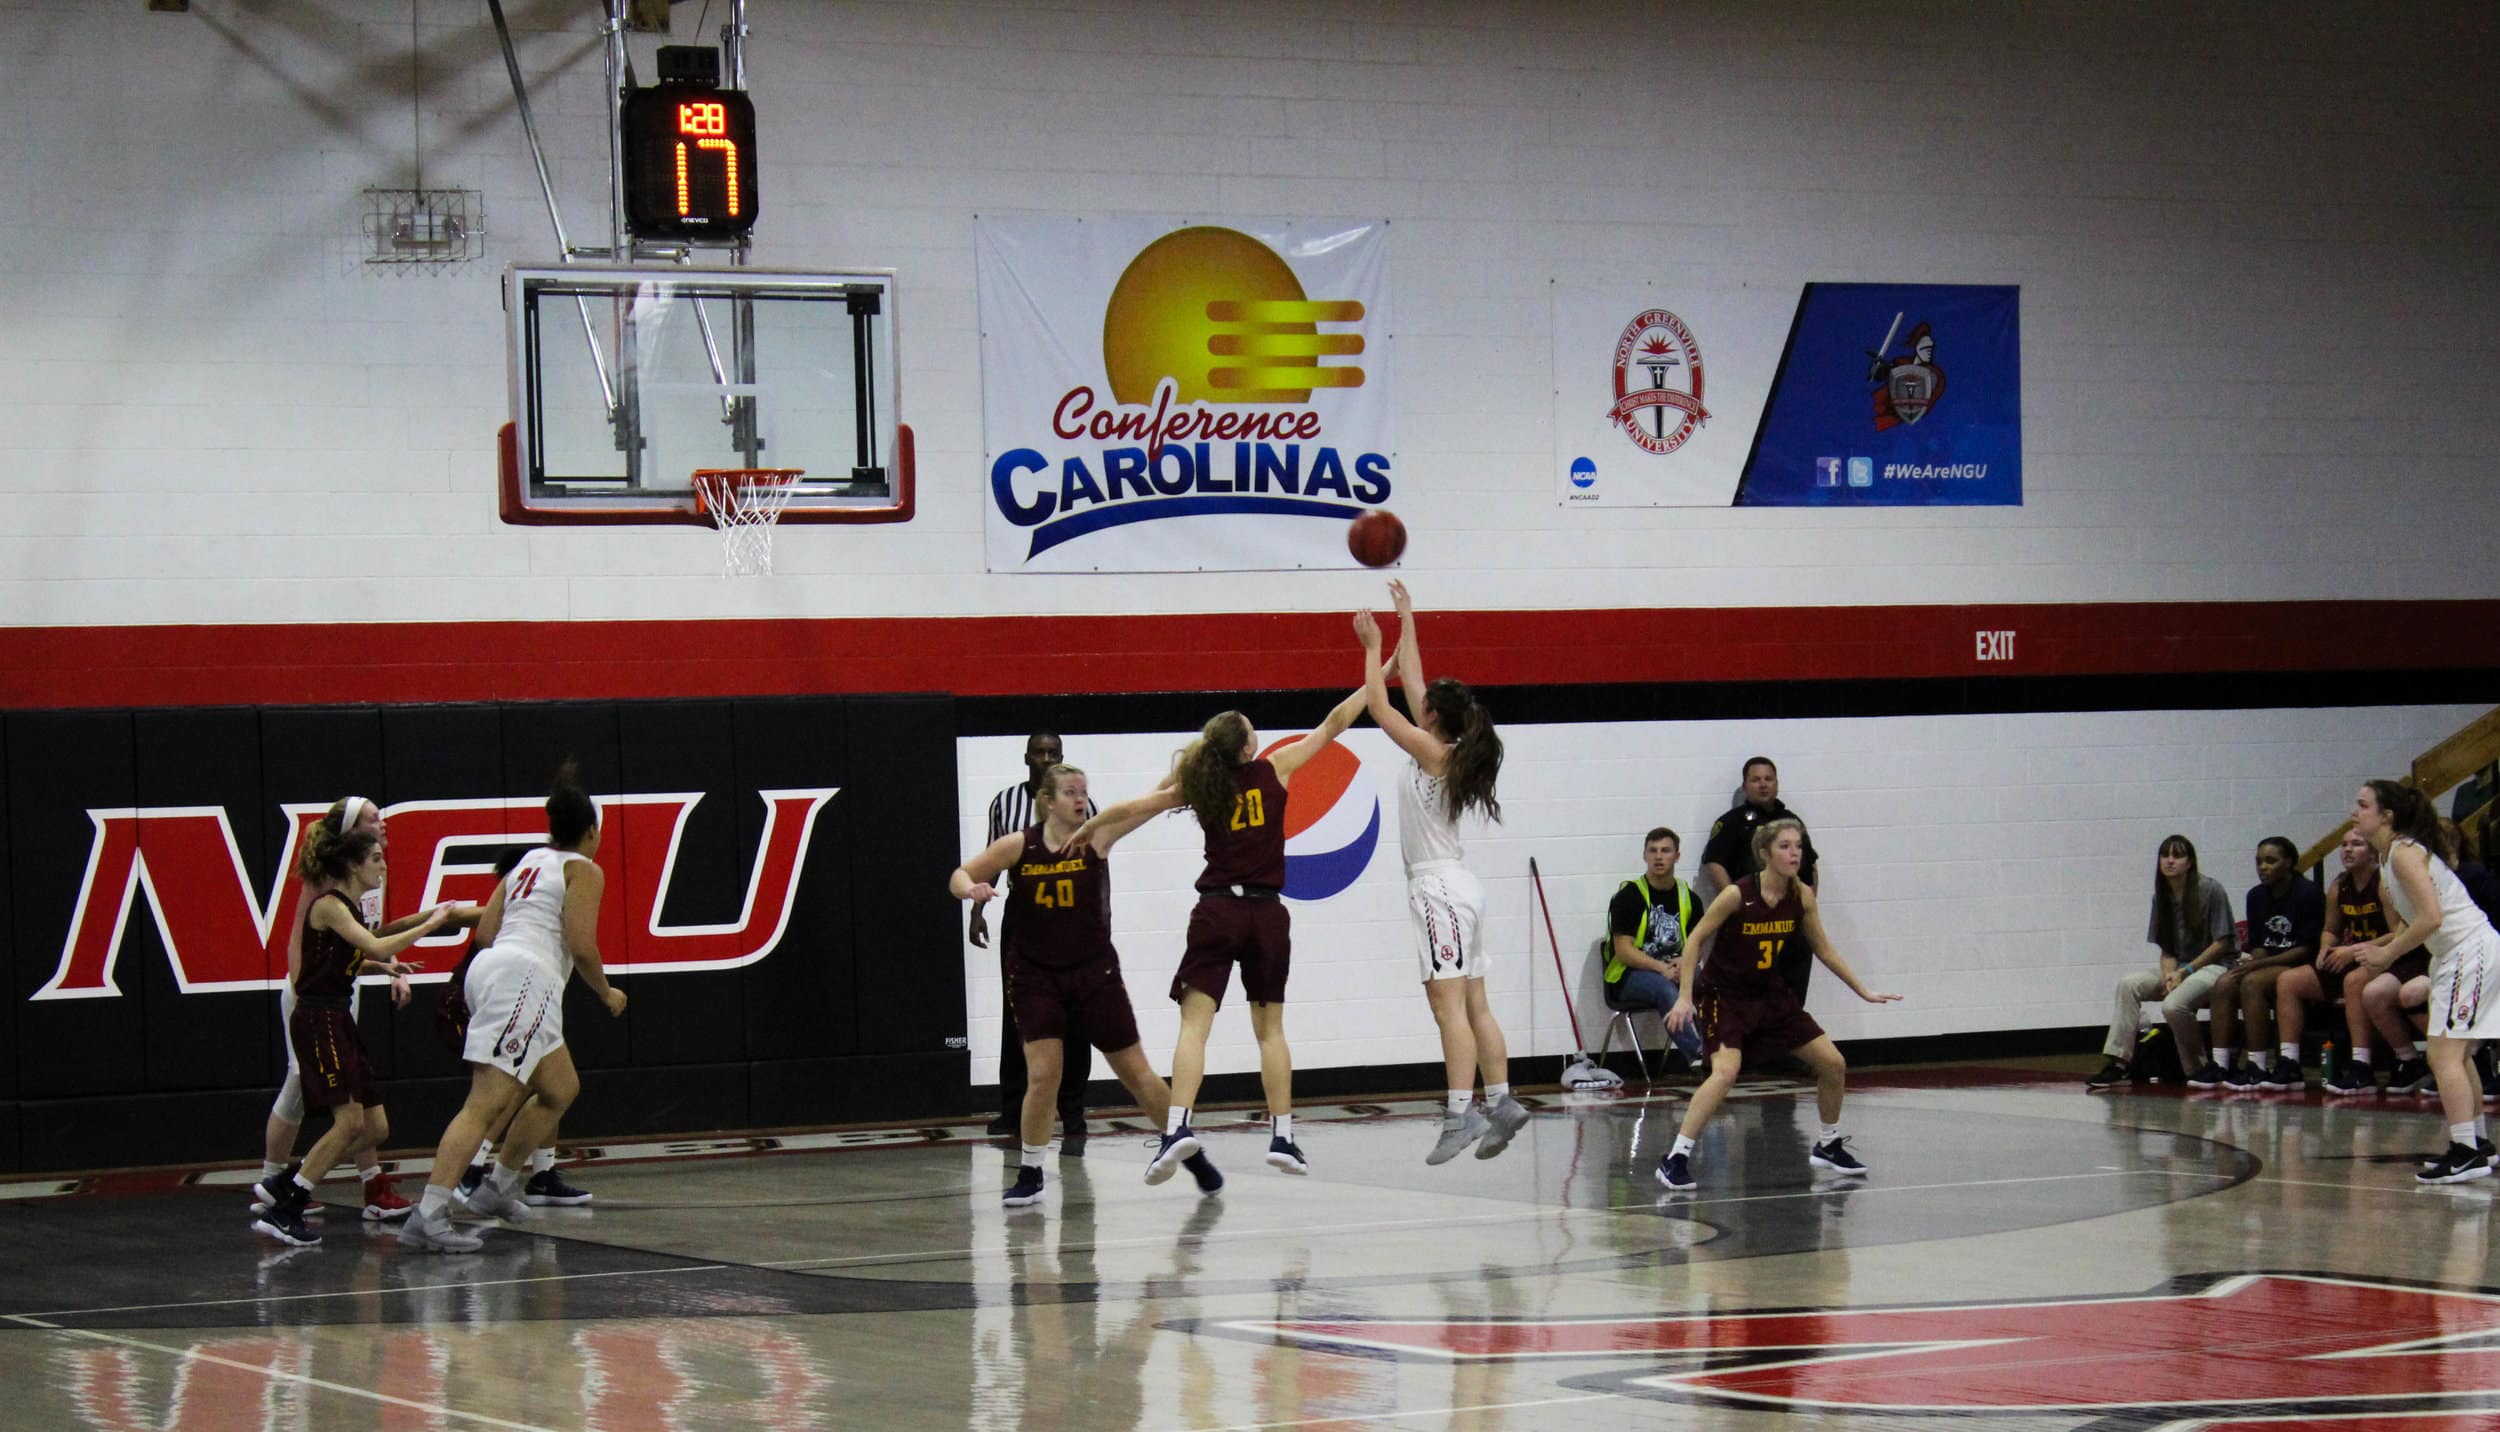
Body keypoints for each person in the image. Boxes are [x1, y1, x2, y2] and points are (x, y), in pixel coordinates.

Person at [1072, 676, 1374, 1180]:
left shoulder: (1201, 786)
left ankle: (1178, 1130)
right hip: (1267, 915)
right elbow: (1335, 722)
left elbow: (1133, 807)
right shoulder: (1276, 768)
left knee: (1195, 1027)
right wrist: (1375, 675)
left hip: (1217, 912)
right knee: (1271, 1031)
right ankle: (1283, 1137)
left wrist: (1086, 829)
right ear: (1250, 745)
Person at [950, 763, 1222, 1207]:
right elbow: (958, 875)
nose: (1080, 799)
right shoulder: (1020, 844)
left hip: (1094, 971)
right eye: (1070, 792)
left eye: (1084, 791)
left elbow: (1149, 805)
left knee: (1135, 1071)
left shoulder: (1098, 837)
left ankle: (1189, 1151)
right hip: (1035, 974)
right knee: (1044, 1074)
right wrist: (971, 891)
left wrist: (1187, 780)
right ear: (1048, 801)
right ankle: (1032, 1171)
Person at [399, 764, 629, 1253]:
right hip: (527, 979)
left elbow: (484, 933)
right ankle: (430, 1213)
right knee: (484, 1105)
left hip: (493, 970)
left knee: (560, 1087)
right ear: (591, 832)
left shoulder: (526, 862)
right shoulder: (583, 869)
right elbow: (582, 945)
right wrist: (606, 992)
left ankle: (499, 1187)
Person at [1356, 581, 1532, 1164]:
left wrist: (1371, 643)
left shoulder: (1435, 752)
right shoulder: (1442, 745)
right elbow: (1411, 682)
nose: (1418, 700)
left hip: (1438, 891)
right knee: (1477, 1004)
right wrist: (1408, 619)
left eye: (1424, 701)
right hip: (1462, 887)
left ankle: (1460, 1113)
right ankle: (1502, 1099)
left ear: (1431, 716)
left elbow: (1379, 705)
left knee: (1448, 1007)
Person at [252, 796, 479, 1223]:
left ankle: (328, 1184)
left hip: (340, 997)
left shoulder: (366, 882)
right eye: (375, 819)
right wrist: (433, 923)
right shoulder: (325, 893)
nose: (384, 825)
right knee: (314, 1093)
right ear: (352, 843)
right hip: (314, 1002)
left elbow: (367, 941)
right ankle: (279, 1184)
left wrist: (390, 968)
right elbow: (308, 947)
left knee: (365, 1118)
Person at [1654, 820, 1901, 1189]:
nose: (1795, 853)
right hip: (1725, 995)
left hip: (1770, 995)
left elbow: (1824, 949)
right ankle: (1675, 1158)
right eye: (1785, 846)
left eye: (1798, 846)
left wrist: (1861, 990)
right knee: (1725, 1073)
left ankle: (1828, 1144)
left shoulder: (1801, 896)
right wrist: (1686, 996)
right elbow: (1695, 940)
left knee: (1833, 1063)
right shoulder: (1738, 894)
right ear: (1765, 853)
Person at [2333, 780, 2500, 1183]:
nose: (2354, 811)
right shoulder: (2391, 857)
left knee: (2443, 1056)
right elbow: (2412, 922)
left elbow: (2432, 919)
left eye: (2362, 804)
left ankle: (2465, 1153)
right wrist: (2374, 947)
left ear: (2386, 816)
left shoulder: (2405, 853)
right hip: (2451, 955)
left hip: (2469, 951)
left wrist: (2387, 956)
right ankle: (2477, 1144)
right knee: (2454, 1056)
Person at [973, 733, 1097, 1147]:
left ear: (1062, 758)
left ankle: (1074, 1112)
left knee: (1075, 1016)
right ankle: (1013, 1110)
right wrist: (977, 909)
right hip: (1024, 918)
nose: (1045, 759)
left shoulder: (1083, 804)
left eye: (1053, 753)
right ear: (1026, 757)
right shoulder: (1005, 802)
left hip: (1072, 917)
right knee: (1018, 1014)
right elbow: (992, 859)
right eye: (1039, 753)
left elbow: (1097, 867)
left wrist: (1101, 920)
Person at [2086, 835, 2237, 1090]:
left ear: (2190, 862)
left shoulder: (2211, 890)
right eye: (2165, 855)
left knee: (2173, 1005)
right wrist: (2170, 975)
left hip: (2216, 966)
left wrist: (2185, 971)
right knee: (2129, 984)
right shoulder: (2162, 897)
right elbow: (2166, 949)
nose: (2169, 861)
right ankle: (2120, 1062)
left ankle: (2198, 1067)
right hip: (2180, 967)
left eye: (2177, 855)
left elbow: (2222, 943)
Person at [2186, 837, 2323, 1091]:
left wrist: (2260, 965)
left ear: (2289, 863)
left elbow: (2306, 948)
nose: (2263, 867)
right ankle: (2222, 1063)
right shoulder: (2256, 896)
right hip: (2268, 962)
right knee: (2225, 982)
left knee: (2251, 983)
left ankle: (2257, 1064)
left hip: (2299, 964)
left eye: (2271, 861)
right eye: (2259, 861)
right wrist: (2253, 961)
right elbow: (2259, 943)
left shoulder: (2308, 893)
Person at [2282, 829, 2399, 1097]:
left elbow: (2397, 933)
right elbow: (2331, 929)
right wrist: (2326, 947)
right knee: (2289, 981)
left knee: (2354, 981)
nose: (2347, 850)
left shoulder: (2383, 882)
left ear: (2372, 852)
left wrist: (2354, 950)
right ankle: (2289, 1062)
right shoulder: (2339, 885)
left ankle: (2362, 1066)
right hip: (2351, 955)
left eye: (2356, 844)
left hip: (2386, 956)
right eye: (2344, 845)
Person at [1700, 758, 1821, 1000]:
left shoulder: (1791, 821)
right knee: (1750, 999)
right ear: (1745, 786)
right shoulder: (1731, 823)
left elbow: (1811, 866)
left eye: (1768, 779)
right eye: (1756, 780)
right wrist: (1738, 903)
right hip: (1751, 924)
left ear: (1777, 783)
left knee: (1792, 999)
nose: (1763, 785)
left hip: (1790, 924)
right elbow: (1714, 863)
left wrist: (1806, 902)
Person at [1603, 828, 1708, 1068]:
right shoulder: (1629, 896)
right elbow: (1623, 950)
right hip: (1630, 975)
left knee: (1706, 984)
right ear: (1645, 856)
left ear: (1677, 856)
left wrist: (1685, 961)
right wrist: (1661, 968)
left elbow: (1697, 944)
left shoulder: (1689, 898)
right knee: (1665, 989)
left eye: (1665, 851)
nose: (1659, 857)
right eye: (1653, 851)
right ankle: (1698, 1056)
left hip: (1675, 966)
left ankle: (1718, 1051)